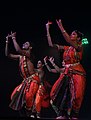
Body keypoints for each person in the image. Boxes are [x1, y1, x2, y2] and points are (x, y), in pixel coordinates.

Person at [45, 19, 86, 119]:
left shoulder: (79, 47)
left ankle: (73, 115)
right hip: (66, 73)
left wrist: (61, 27)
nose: (71, 35)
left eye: (73, 34)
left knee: (76, 95)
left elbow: (68, 39)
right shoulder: (67, 48)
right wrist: (47, 29)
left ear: (78, 38)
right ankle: (62, 114)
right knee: (56, 92)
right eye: (71, 34)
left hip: (77, 73)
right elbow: (51, 45)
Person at [5, 32, 40, 117]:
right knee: (14, 96)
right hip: (26, 80)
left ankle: (31, 113)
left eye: (26, 43)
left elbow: (18, 50)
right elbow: (7, 55)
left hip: (33, 79)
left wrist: (13, 38)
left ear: (30, 47)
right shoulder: (21, 56)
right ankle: (26, 113)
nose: (24, 44)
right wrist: (7, 42)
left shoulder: (29, 54)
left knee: (28, 97)